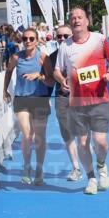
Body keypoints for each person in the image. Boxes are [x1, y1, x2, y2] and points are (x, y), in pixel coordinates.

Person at [53, 6, 109, 195]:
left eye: (80, 17)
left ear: (87, 21)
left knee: (101, 141)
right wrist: (61, 79)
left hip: (100, 99)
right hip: (77, 103)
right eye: (73, 18)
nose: (76, 20)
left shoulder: (99, 40)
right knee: (82, 143)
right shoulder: (65, 46)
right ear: (70, 23)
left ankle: (101, 165)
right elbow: (57, 70)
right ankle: (91, 178)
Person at [4, 26, 53, 185]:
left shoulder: (43, 58)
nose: (28, 41)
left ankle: (39, 169)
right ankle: (26, 167)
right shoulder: (16, 57)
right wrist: (5, 90)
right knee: (27, 135)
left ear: (37, 40)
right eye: (25, 39)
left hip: (40, 99)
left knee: (39, 136)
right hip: (22, 99)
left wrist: (39, 76)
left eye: (31, 39)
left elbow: (51, 80)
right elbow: (8, 71)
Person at [44, 24, 83, 182]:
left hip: (82, 98)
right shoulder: (51, 58)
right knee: (67, 134)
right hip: (62, 98)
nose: (62, 39)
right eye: (58, 36)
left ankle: (94, 165)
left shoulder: (82, 53)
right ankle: (76, 168)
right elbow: (49, 82)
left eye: (65, 36)